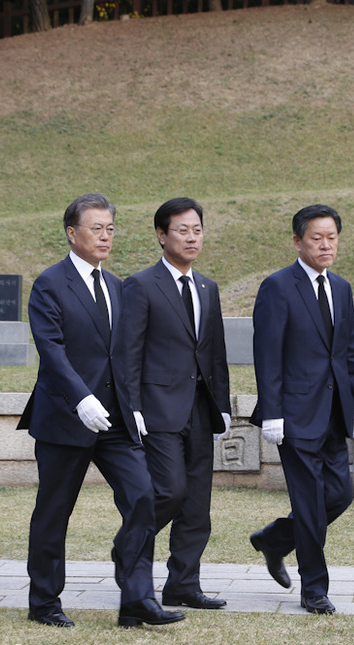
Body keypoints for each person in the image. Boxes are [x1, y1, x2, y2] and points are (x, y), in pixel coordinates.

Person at [22, 193, 184, 628]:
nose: (106, 236)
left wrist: (135, 406)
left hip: (116, 419)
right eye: (97, 228)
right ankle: (44, 602)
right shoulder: (49, 284)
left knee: (144, 498)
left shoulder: (117, 285)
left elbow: (127, 354)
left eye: (111, 228)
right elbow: (51, 353)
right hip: (64, 418)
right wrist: (81, 398)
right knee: (54, 512)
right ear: (72, 233)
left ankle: (136, 599)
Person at [249, 204, 354, 616]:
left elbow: (349, 353)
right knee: (308, 503)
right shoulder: (278, 287)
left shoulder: (341, 288)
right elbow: (267, 355)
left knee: (337, 496)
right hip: (294, 416)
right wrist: (272, 412)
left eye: (331, 237)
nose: (325, 244)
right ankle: (314, 589)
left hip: (335, 414)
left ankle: (275, 540)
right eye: (316, 238)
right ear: (298, 241)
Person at [121, 197, 230, 610]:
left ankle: (183, 584)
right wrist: (131, 407)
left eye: (197, 229)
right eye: (182, 230)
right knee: (169, 492)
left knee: (197, 505)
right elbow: (128, 351)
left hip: (200, 411)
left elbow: (214, 351)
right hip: (157, 410)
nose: (191, 237)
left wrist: (221, 403)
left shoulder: (207, 287)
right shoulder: (141, 285)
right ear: (161, 235)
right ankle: (129, 549)